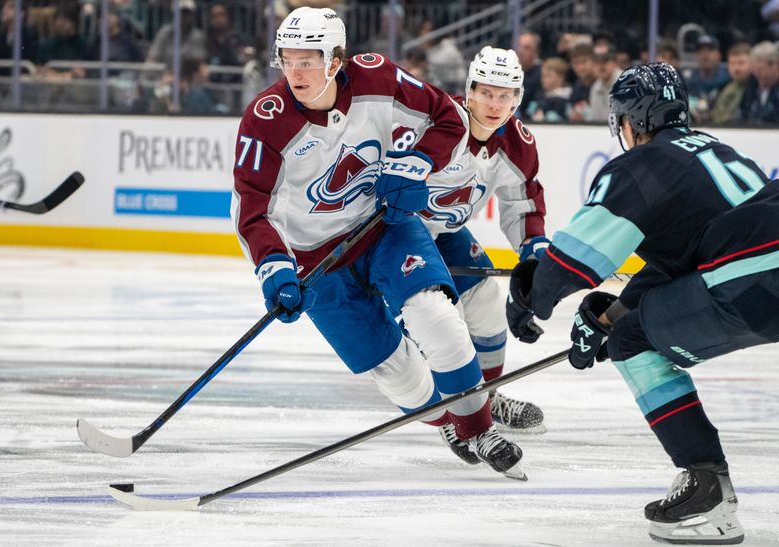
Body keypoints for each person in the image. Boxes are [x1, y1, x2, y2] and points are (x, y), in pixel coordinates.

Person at [231, 7, 525, 478]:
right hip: (316, 263)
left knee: (438, 318)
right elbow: (251, 206)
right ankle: (448, 420)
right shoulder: (266, 119)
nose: (296, 71)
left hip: (382, 227)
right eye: (288, 58)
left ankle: (480, 427)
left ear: (335, 60)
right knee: (404, 381)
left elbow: (447, 118)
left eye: (309, 60)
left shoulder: (377, 77)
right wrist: (273, 265)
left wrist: (418, 164)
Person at [507, 62, 778, 544]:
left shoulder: (643, 164)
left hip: (752, 274)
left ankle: (707, 490)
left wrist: (529, 294)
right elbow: (690, 268)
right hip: (752, 266)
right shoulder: (719, 150)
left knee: (635, 344)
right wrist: (609, 316)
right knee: (632, 331)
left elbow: (573, 263)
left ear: (627, 122)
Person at [392, 46, 548, 449]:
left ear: (518, 98)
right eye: (486, 93)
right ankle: (453, 410)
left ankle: (485, 402)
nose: (495, 105)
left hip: (446, 233)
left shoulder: (517, 143)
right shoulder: (440, 123)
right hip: (397, 232)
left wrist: (533, 248)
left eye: (505, 95)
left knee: (487, 303)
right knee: (437, 323)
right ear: (469, 91)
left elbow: (523, 204)